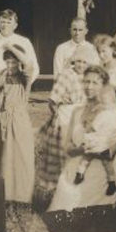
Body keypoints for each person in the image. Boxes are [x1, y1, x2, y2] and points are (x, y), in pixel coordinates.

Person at [48, 64, 116, 211]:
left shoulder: (113, 113)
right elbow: (68, 148)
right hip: (76, 170)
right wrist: (81, 149)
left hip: (103, 173)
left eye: (95, 82)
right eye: (86, 81)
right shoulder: (76, 111)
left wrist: (107, 150)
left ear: (104, 86)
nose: (89, 86)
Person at [38, 45, 92, 196]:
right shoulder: (67, 74)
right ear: (74, 61)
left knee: (81, 154)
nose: (81, 65)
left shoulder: (90, 77)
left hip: (84, 118)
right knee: (64, 153)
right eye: (78, 61)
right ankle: (58, 191)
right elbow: (53, 100)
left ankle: (78, 190)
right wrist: (59, 117)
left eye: (84, 62)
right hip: (66, 115)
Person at [0, 45, 37, 204]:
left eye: (14, 62)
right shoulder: (0, 78)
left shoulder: (24, 79)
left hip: (18, 122)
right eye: (7, 62)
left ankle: (21, 198)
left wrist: (10, 46)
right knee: (2, 159)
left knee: (20, 158)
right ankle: (3, 196)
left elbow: (28, 63)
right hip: (1, 121)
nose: (10, 66)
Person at [0, 10, 38, 91]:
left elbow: (34, 67)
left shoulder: (24, 42)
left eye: (8, 22)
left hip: (15, 86)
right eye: (2, 22)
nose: (5, 25)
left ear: (15, 25)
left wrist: (25, 86)